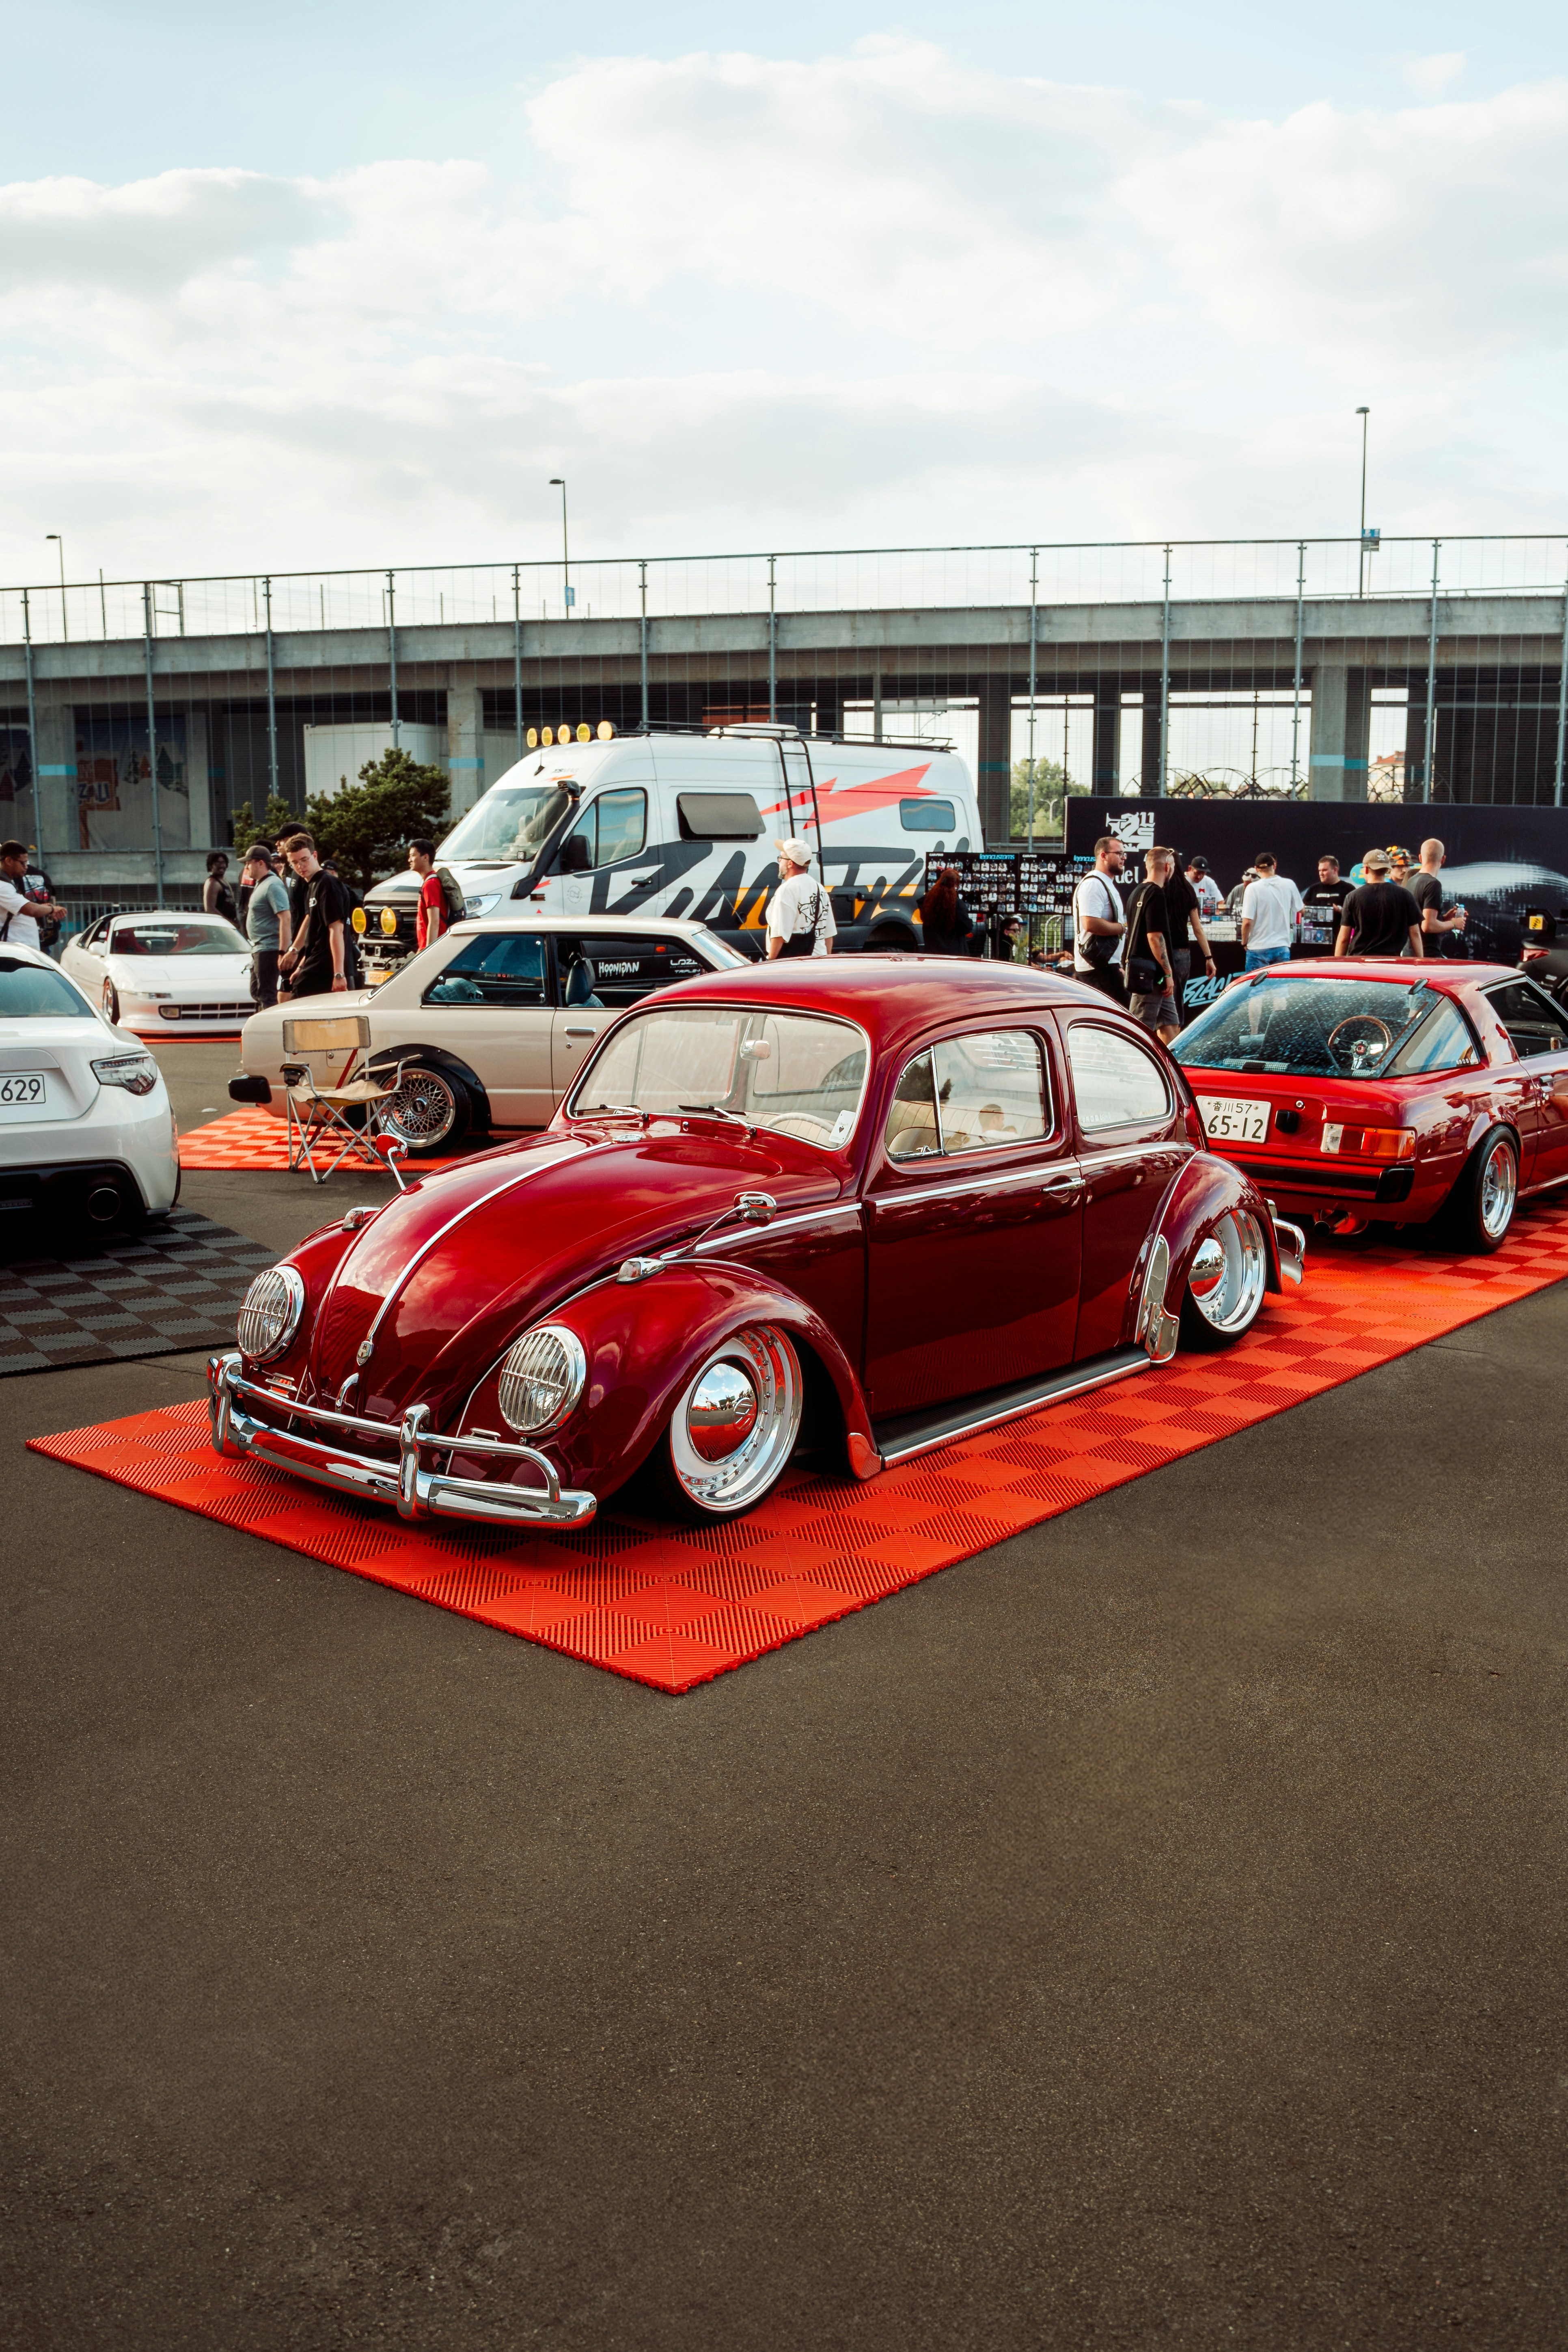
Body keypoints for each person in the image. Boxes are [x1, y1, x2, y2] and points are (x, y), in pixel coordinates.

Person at [277, 832, 352, 999]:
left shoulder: (327, 884)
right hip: (314, 963)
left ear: (315, 855)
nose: (300, 866)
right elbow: (315, 934)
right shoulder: (312, 885)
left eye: (304, 860)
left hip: (326, 967)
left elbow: (336, 930)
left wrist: (339, 974)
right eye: (295, 863)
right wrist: (301, 966)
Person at [1155, 846, 1215, 1041]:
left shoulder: (1157, 889)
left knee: (1159, 1000)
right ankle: (1175, 1047)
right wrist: (1209, 957)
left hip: (1159, 950)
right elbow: (1197, 928)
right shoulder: (1187, 890)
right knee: (1176, 1000)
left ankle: (1162, 1048)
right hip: (1181, 951)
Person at [1123, 847, 1176, 1039]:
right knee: (1139, 1032)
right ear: (1168, 867)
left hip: (1152, 975)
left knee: (1171, 1025)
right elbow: (1154, 937)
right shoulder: (1156, 894)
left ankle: (1170, 1067)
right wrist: (1168, 973)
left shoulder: (1138, 891)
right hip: (1149, 975)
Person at [1335, 849, 1423, 960]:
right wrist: (1420, 961)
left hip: (1360, 962)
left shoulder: (1353, 897)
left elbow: (1343, 938)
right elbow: (1415, 934)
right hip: (1392, 962)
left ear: (1365, 869)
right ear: (1387, 869)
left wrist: (1337, 963)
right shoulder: (1405, 895)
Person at [1071, 833, 1128, 1003]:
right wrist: (1122, 928)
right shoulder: (1093, 884)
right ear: (1103, 855)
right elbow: (1090, 923)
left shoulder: (1104, 883)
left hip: (1105, 966)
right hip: (1096, 968)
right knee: (1121, 1021)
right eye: (1119, 854)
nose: (1124, 858)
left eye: (1125, 854)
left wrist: (1118, 965)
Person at [765, 837, 835, 958]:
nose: (780, 862)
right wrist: (827, 960)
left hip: (795, 964)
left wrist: (770, 962)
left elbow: (779, 935)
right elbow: (829, 935)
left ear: (790, 863)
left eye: (781, 858)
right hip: (820, 961)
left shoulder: (787, 890)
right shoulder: (820, 888)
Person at [242, 844, 292, 1010]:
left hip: (269, 949)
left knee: (267, 995)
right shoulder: (262, 883)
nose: (246, 867)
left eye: (249, 863)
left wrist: (282, 952)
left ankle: (273, 1031)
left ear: (261, 863)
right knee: (257, 991)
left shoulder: (272, 885)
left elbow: (285, 918)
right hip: (260, 948)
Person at [1239, 853, 1302, 972]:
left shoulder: (1252, 889)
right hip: (1282, 946)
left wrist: (1244, 943)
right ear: (1275, 865)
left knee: (1256, 990)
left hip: (1257, 948)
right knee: (1279, 990)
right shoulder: (1289, 884)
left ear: (1257, 869)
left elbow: (1247, 922)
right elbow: (1301, 910)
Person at [0, 839, 63, 953]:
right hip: (14, 953)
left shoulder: (8, 882)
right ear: (9, 861)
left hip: (21, 951)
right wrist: (52, 909)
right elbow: (31, 910)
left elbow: (23, 908)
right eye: (23, 863)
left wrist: (45, 908)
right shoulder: (2, 886)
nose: (26, 867)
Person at [1409, 837, 1468, 958]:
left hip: (1410, 952)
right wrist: (1454, 923)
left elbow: (1419, 920)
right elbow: (1428, 926)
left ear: (1420, 858)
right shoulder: (1433, 884)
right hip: (1428, 955)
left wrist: (1445, 919)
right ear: (1443, 859)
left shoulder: (1411, 881)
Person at [917, 867, 973, 956]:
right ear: (955, 885)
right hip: (954, 952)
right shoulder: (956, 904)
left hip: (932, 951)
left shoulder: (927, 902)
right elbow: (967, 927)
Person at [408, 839, 448, 951]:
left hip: (432, 950)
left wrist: (428, 952)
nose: (409, 860)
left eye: (413, 856)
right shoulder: (429, 882)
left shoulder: (431, 884)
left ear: (426, 858)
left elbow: (434, 921)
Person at [203, 850, 238, 926]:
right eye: (218, 863)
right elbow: (210, 909)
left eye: (223, 863)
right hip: (220, 927)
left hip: (228, 925)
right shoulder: (212, 882)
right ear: (210, 866)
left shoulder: (223, 881)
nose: (222, 866)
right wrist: (229, 923)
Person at [1185, 855, 1223, 920]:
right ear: (1190, 868)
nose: (1199, 877)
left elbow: (1221, 902)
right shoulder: (1182, 881)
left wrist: (1218, 916)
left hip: (1206, 922)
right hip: (1186, 921)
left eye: (1203, 874)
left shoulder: (1209, 882)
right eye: (1197, 873)